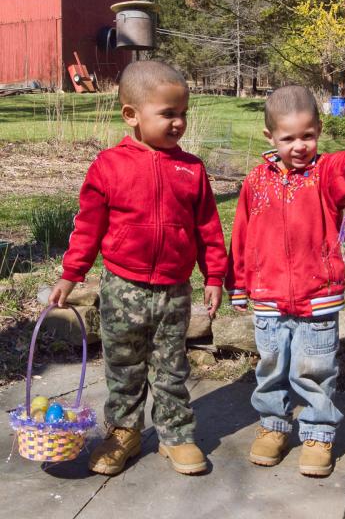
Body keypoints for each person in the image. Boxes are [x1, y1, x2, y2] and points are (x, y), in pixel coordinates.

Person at [49, 61, 227, 476]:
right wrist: (71, 273)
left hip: (174, 289)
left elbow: (208, 229)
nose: (179, 122)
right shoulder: (108, 167)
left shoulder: (192, 170)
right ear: (132, 115)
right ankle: (123, 433)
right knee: (123, 366)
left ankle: (176, 435)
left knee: (171, 366)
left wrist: (214, 275)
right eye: (168, 113)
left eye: (183, 112)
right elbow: (88, 227)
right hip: (122, 288)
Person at [225, 85, 345, 477]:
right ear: (269, 137)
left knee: (315, 368)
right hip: (268, 296)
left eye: (307, 135)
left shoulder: (323, 176)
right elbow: (242, 233)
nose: (299, 146)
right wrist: (238, 284)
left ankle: (319, 431)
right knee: (271, 367)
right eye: (288, 138)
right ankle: (273, 426)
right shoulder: (256, 181)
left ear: (319, 130)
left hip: (318, 296)